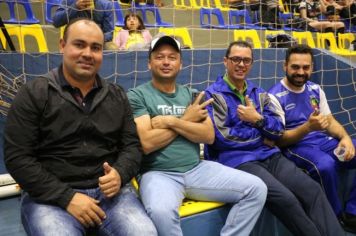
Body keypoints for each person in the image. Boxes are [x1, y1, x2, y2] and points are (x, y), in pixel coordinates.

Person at [4, 18, 157, 236]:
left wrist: (120, 174)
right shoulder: (33, 93)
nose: (87, 53)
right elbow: (17, 158)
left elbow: (132, 147)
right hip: (50, 198)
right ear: (62, 45)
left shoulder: (116, 95)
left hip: (110, 196)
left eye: (95, 48)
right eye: (79, 44)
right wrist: (67, 197)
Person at [127, 35, 268, 236]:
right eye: (159, 57)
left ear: (180, 64)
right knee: (161, 212)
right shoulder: (137, 95)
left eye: (172, 57)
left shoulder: (193, 94)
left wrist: (172, 121)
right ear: (149, 63)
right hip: (158, 173)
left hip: (197, 169)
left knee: (256, 189)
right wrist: (187, 119)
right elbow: (148, 142)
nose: (166, 62)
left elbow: (208, 135)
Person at [204, 40, 344, 236]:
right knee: (287, 199)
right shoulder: (213, 95)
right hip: (240, 161)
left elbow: (278, 129)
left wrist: (258, 120)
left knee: (312, 190)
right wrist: (261, 135)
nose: (241, 64)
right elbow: (222, 138)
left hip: (271, 156)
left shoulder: (258, 93)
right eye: (236, 59)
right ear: (225, 61)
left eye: (246, 60)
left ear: (251, 64)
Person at [268, 44, 356, 232]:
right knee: (324, 165)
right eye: (295, 67)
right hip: (296, 146)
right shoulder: (274, 96)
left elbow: (330, 121)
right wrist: (308, 127)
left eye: (306, 67)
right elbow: (279, 140)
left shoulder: (315, 89)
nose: (301, 72)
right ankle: (334, 217)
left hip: (322, 142)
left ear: (312, 68)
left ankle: (353, 212)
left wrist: (345, 137)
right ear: (285, 66)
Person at [53, 0, 117, 50]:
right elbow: (56, 22)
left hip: (98, 42)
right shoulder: (69, 1)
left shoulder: (106, 5)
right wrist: (75, 7)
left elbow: (109, 33)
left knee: (112, 48)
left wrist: (95, 40)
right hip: (75, 40)